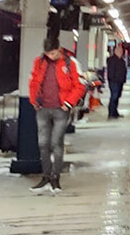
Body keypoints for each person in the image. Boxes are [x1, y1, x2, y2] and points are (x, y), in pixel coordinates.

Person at [26, 38, 85, 192]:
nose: (50, 56)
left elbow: (80, 86)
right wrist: (33, 100)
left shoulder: (70, 63)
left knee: (56, 143)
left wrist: (68, 103)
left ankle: (55, 178)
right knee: (43, 144)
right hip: (42, 108)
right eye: (48, 54)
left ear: (59, 49)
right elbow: (33, 82)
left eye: (53, 53)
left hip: (61, 109)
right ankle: (46, 176)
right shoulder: (39, 62)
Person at [105, 42, 128, 119]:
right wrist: (113, 80)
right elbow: (111, 72)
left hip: (120, 82)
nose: (121, 53)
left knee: (117, 96)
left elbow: (124, 71)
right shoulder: (112, 60)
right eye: (120, 51)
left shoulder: (122, 61)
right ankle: (111, 113)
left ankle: (115, 112)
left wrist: (123, 79)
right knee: (114, 97)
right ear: (116, 51)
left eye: (121, 51)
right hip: (114, 82)